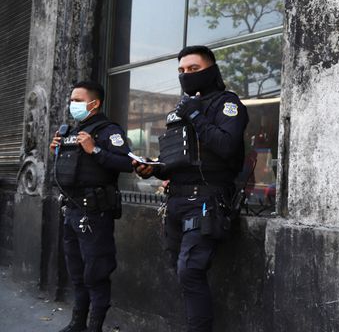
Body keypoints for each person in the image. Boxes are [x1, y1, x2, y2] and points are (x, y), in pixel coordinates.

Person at [133, 45, 248, 332]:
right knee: (182, 273)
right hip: (176, 202)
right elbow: (176, 160)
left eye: (193, 69)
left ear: (211, 69)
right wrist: (153, 168)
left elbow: (226, 146)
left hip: (207, 200)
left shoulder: (227, 104)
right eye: (182, 71)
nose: (186, 75)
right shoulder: (178, 112)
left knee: (190, 271)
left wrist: (196, 116)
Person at [49, 80, 133, 332]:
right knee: (76, 270)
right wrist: (57, 150)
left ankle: (94, 327)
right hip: (71, 210)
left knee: (95, 272)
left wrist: (94, 149)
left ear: (94, 103)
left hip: (95, 212)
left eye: (77, 100)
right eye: (71, 99)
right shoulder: (72, 131)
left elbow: (127, 163)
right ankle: (77, 323)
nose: (72, 104)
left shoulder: (109, 131)